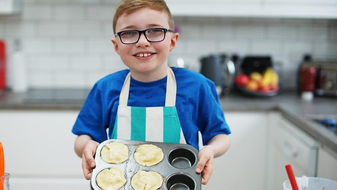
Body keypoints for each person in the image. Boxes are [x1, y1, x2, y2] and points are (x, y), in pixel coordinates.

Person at [72, 0, 231, 185]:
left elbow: (220, 136)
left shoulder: (197, 87)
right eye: (129, 33)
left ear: (172, 41)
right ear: (116, 46)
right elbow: (83, 138)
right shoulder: (106, 88)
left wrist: (210, 150)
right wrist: (88, 146)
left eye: (155, 31)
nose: (142, 41)